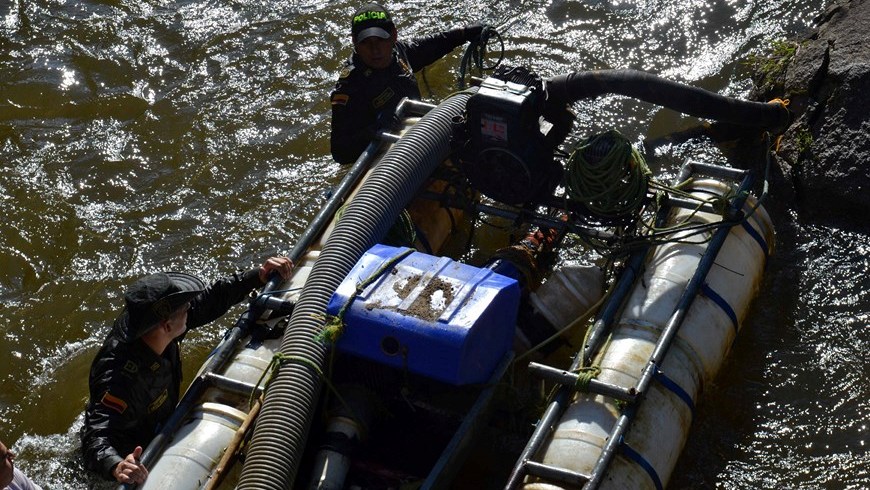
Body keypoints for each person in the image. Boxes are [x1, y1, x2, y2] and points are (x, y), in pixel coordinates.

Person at [80, 257, 294, 484]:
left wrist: (256, 276)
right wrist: (117, 465)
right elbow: (97, 436)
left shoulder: (158, 330)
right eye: (184, 308)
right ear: (166, 325)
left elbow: (208, 301)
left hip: (157, 420)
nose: (190, 309)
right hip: (129, 457)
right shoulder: (120, 377)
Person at [330, 3, 486, 164]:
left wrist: (463, 33)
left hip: (420, 132)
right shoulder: (350, 88)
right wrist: (374, 129)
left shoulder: (399, 52)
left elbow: (431, 45)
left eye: (380, 39)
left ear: (394, 36)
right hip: (389, 158)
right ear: (355, 42)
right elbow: (340, 152)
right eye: (366, 42)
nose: (375, 49)